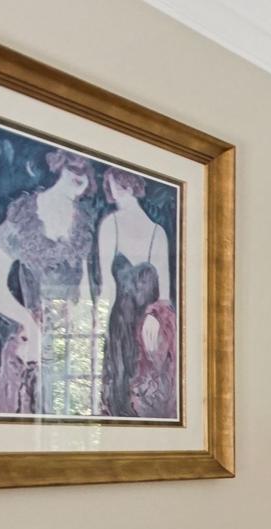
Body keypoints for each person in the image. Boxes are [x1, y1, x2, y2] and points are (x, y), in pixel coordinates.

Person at [0, 150, 94, 416]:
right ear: (59, 167)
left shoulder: (81, 222)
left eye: (85, 178)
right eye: (73, 173)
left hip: (70, 344)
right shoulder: (24, 215)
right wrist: (31, 325)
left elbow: (85, 293)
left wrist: (79, 329)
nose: (79, 184)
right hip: (29, 341)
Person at [97, 166, 177, 419]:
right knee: (119, 387)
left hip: (147, 326)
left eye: (119, 184)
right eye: (113, 185)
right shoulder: (111, 225)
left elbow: (164, 296)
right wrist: (101, 327)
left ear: (131, 185)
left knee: (146, 391)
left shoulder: (157, 233)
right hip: (119, 324)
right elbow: (107, 287)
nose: (116, 191)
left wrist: (155, 319)